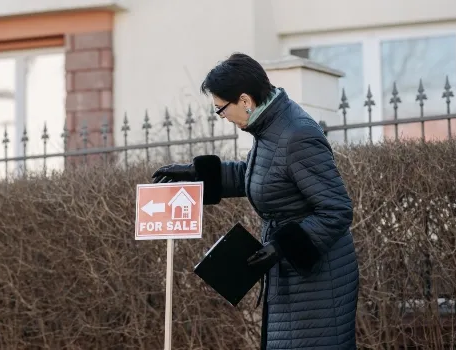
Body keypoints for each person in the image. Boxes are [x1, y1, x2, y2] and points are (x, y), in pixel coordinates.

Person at [151, 53, 359, 350]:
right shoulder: (270, 127)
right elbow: (256, 176)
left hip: (320, 280)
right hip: (293, 273)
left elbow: (337, 210)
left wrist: (282, 247)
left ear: (245, 100)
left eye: (221, 109)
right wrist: (196, 174)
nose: (222, 116)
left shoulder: (297, 134)